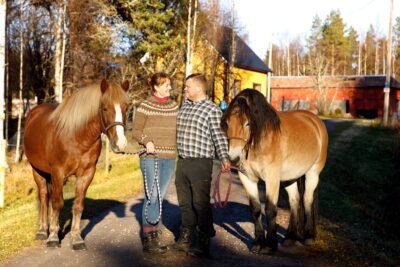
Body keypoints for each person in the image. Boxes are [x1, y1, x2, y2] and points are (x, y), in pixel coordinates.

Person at [168, 73, 230, 257]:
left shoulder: (212, 110)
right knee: (185, 202)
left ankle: (204, 238)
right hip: (183, 162)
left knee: (200, 203)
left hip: (201, 162)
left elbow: (218, 136)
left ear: (197, 88)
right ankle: (186, 237)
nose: (185, 89)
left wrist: (225, 158)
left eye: (187, 87)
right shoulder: (184, 107)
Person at [132, 72, 179, 254]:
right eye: (166, 85)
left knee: (159, 196)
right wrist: (147, 140)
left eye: (169, 84)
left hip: (169, 158)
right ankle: (148, 238)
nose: (169, 87)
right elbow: (135, 131)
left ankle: (154, 231)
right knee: (152, 194)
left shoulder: (174, 106)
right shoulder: (145, 106)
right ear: (156, 87)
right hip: (150, 157)